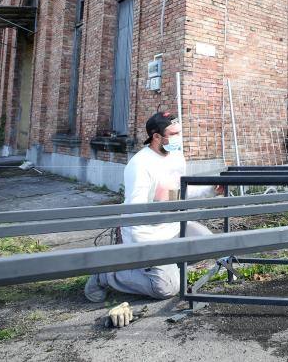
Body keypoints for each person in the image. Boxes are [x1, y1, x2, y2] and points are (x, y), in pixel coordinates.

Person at [84, 111, 223, 322]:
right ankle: (106, 274)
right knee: (166, 288)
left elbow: (180, 193)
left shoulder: (176, 156)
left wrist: (212, 188)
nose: (178, 138)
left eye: (179, 133)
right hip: (148, 235)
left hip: (174, 227)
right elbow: (135, 211)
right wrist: (144, 251)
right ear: (156, 136)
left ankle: (164, 268)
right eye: (173, 133)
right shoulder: (140, 165)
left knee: (209, 243)